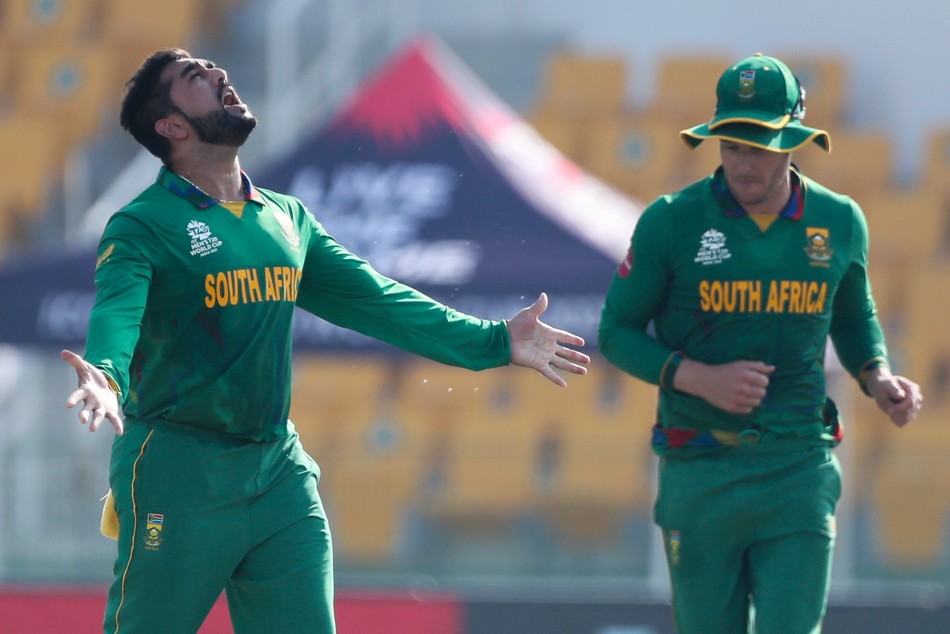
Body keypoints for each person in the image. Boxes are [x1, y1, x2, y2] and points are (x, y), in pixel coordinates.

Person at [61, 48, 591, 634]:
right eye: (194, 77)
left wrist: (494, 341)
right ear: (171, 127)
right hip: (179, 471)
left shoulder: (286, 216)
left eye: (211, 66)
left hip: (277, 471)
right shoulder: (142, 223)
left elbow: (378, 300)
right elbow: (118, 313)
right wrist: (105, 375)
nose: (218, 73)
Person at [598, 53, 922, 634]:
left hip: (798, 465)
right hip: (699, 469)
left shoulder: (840, 220)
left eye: (759, 147)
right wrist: (698, 377)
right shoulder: (670, 221)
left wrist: (877, 375)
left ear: (792, 140)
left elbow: (853, 316)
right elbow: (615, 332)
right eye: (730, 146)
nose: (742, 163)